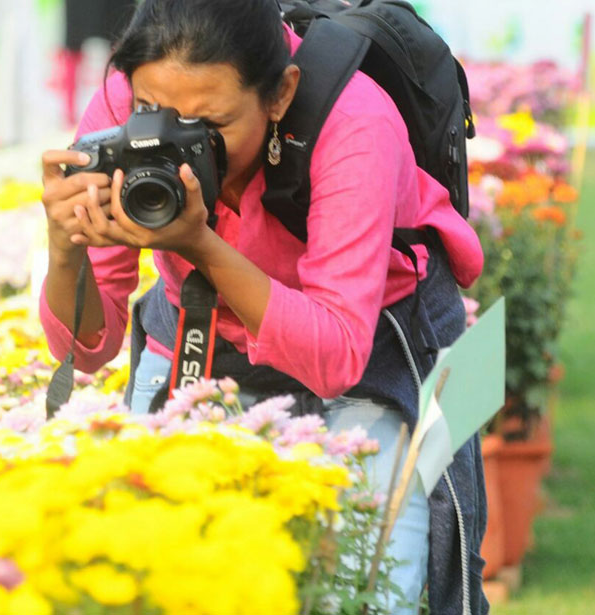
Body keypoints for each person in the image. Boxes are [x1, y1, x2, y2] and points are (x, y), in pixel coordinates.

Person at [38, 1, 488, 614]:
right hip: (203, 336)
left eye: (211, 123)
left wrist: (201, 244)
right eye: (154, 112)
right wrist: (65, 251)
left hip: (375, 349)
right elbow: (85, 352)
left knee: (365, 595)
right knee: (161, 574)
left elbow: (336, 358)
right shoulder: (123, 106)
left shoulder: (351, 121)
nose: (176, 140)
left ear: (280, 94)